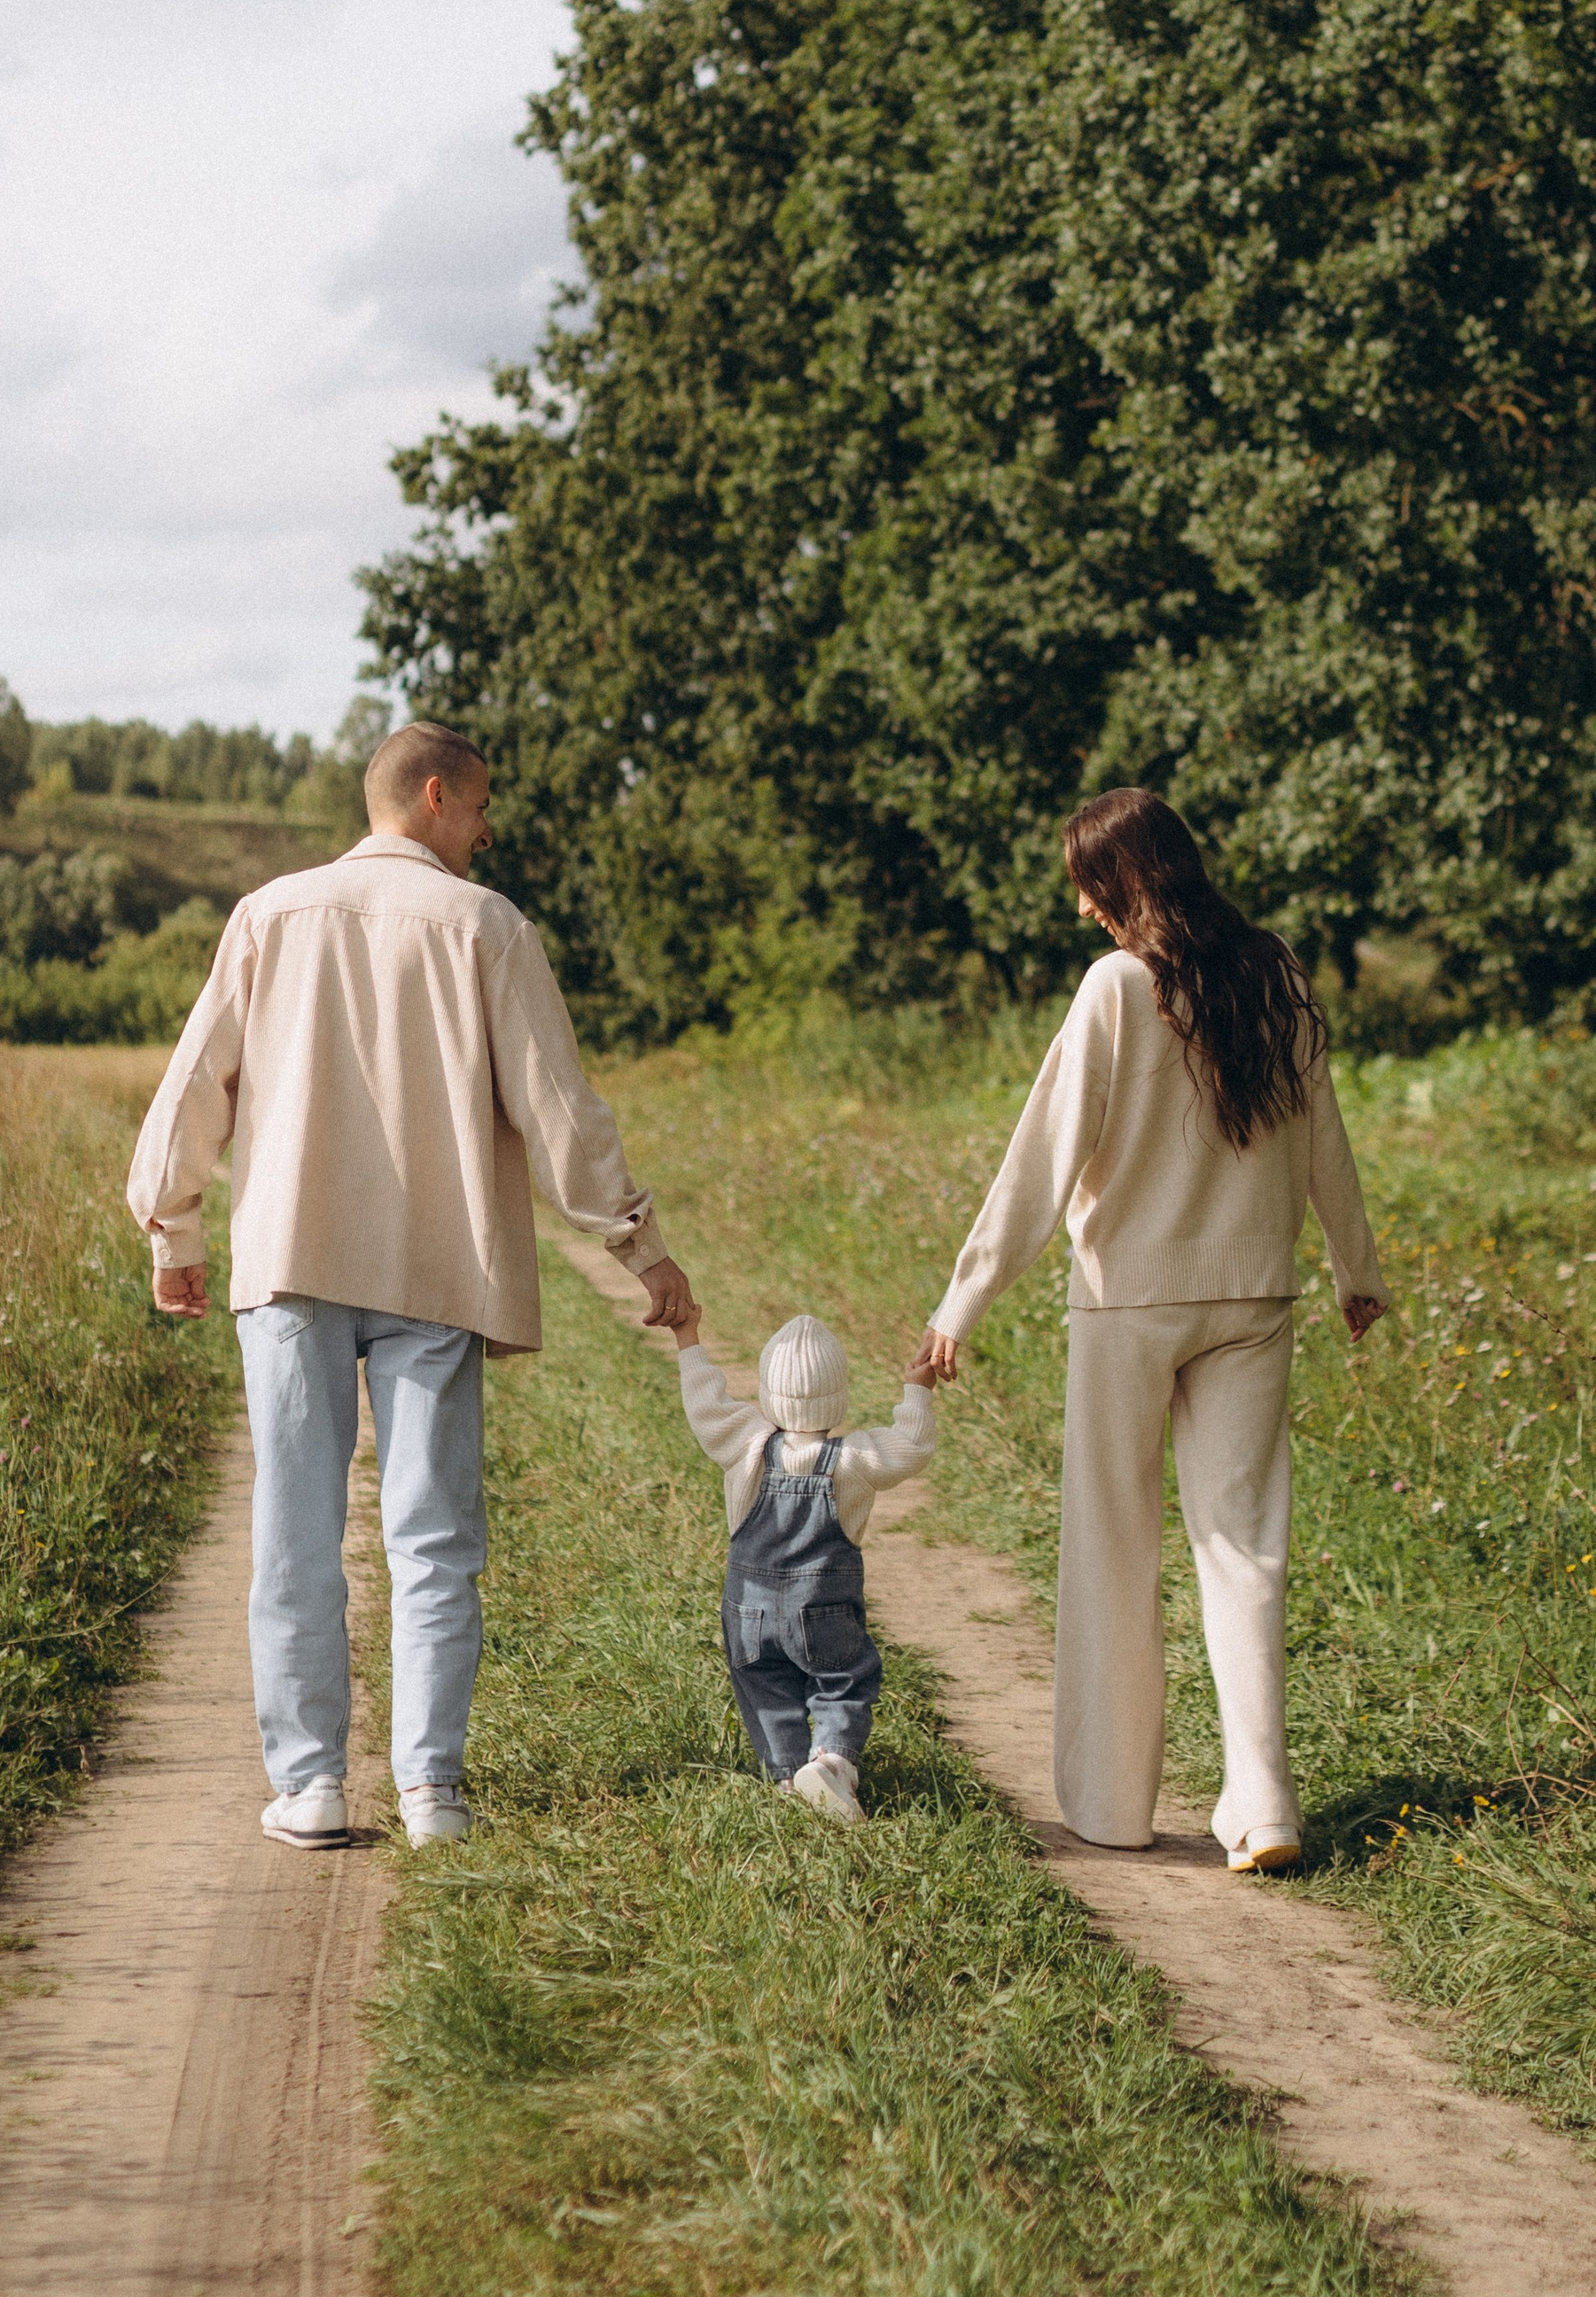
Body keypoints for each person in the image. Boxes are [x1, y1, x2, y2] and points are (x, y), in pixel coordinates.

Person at [127, 719, 695, 1854]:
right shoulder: (487, 926)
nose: (486, 833)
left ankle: (313, 1786)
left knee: (294, 1530)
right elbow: (560, 1108)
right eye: (481, 809)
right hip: (439, 1265)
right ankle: (432, 1790)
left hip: (293, 1257)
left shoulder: (271, 914)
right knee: (435, 1535)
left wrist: (172, 1228)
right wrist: (639, 1244)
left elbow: (198, 1078)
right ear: (435, 796)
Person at [914, 787, 1386, 1873]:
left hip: (1129, 1303)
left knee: (1113, 1546)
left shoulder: (1117, 988)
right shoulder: (1274, 972)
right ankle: (1265, 1803)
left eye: (1088, 884)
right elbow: (1325, 1132)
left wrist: (961, 1304)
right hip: (1254, 1297)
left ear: (1124, 880)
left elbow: (1043, 1157)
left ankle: (1114, 1806)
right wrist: (1355, 1267)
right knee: (1244, 1551)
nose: (1082, 909)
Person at [672, 1304, 936, 1821]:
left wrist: (688, 1338)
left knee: (764, 1687)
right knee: (843, 1680)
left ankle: (789, 1777)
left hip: (749, 1610)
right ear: (838, 1398)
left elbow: (705, 1405)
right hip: (824, 1607)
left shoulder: (746, 1441)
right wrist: (918, 1389)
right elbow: (912, 1446)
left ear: (770, 1396)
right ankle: (833, 1761)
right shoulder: (855, 1458)